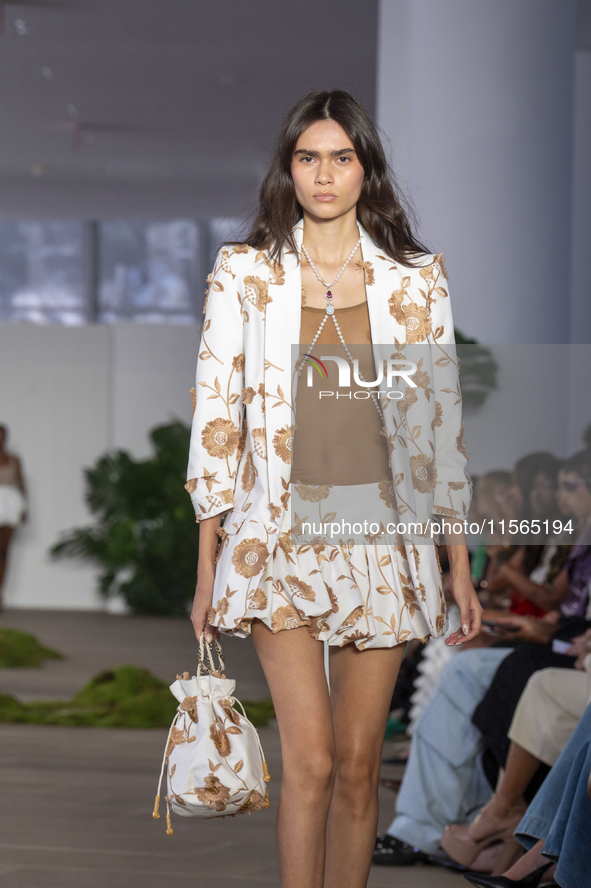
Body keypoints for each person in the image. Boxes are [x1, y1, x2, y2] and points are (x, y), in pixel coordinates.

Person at [185, 89, 481, 888]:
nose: (324, 174)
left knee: (357, 768)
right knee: (309, 763)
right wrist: (207, 565)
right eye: (308, 157)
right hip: (279, 536)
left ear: (364, 170)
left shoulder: (414, 282)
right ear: (288, 170)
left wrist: (457, 566)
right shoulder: (245, 274)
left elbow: (435, 431)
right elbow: (217, 420)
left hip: (383, 541)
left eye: (340, 157)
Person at [373, 447, 591, 869]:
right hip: (561, 645)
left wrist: (521, 611)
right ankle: (433, 822)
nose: (559, 497)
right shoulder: (573, 538)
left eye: (567, 486)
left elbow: (553, 610)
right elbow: (561, 611)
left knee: (469, 665)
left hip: (562, 649)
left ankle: (453, 818)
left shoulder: (565, 535)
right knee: (460, 663)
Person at [0, 424, 26, 611]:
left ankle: (0, 593)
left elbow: (21, 483)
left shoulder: (14, 459)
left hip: (9, 504)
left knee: (3, 552)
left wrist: (24, 508)